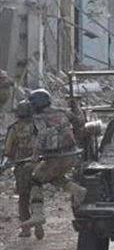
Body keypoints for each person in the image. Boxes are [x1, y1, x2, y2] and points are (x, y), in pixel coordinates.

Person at [18, 89, 87, 240]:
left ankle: (38, 214)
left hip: (55, 157)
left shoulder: (39, 118)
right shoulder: (63, 112)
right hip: (71, 155)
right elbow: (80, 123)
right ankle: (77, 190)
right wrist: (76, 107)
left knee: (35, 179)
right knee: (54, 177)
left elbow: (42, 136)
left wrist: (35, 156)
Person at [4, 100, 34, 237]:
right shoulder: (37, 126)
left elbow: (8, 150)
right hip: (38, 164)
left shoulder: (14, 128)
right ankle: (38, 220)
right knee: (36, 194)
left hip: (21, 166)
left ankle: (26, 228)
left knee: (23, 197)